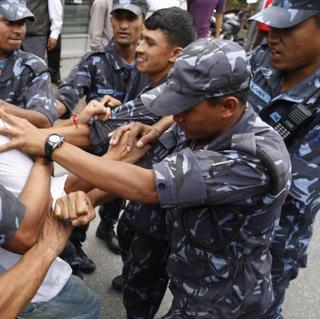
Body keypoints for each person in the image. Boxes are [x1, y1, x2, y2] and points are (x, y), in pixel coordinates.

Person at [0, 38, 292, 318]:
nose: (175, 117)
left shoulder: (255, 156)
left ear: (227, 106)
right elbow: (132, 167)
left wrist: (51, 146)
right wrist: (84, 200)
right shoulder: (194, 126)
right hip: (187, 277)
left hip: (229, 302)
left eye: (186, 107)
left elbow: (148, 186)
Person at [55, 0, 149, 274]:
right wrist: (46, 112)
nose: (123, 25)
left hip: (134, 151)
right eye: (118, 17)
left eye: (130, 19)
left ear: (142, 22)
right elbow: (68, 94)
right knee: (82, 200)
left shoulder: (149, 63)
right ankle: (73, 244)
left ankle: (107, 227)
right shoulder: (95, 61)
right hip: (97, 151)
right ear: (110, 21)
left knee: (119, 196)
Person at [248, 1, 320, 318]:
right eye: (271, 27)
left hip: (271, 245)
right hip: (218, 231)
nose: (273, 37)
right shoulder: (263, 59)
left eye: (287, 28)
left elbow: (290, 186)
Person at [0, 150, 100, 319]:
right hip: (35, 290)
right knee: (86, 306)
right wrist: (44, 158)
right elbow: (24, 235)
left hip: (32, 276)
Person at [0, 0, 56, 128]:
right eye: (10, 23)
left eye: (21, 23)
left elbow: (44, 119)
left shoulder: (34, 67)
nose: (18, 31)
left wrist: (3, 107)